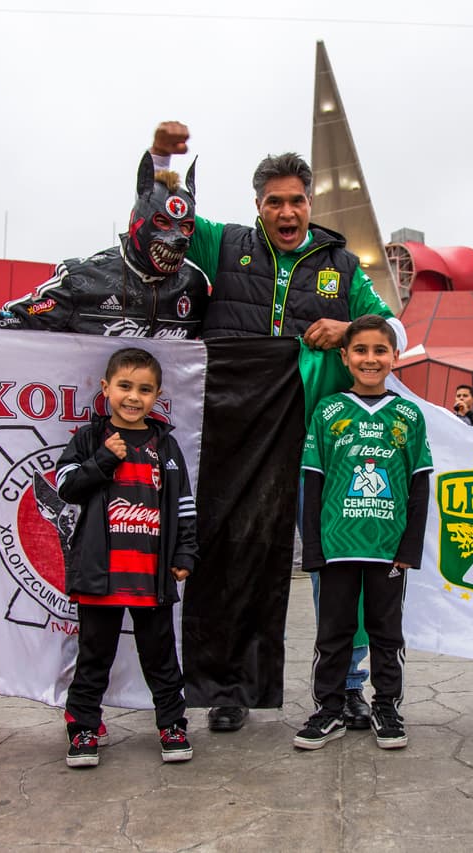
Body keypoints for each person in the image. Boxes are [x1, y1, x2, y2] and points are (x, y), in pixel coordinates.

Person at [150, 122, 403, 734]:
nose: (286, 212)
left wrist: (348, 330)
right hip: (238, 435)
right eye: (274, 202)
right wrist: (162, 161)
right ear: (257, 207)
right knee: (233, 558)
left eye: (297, 200)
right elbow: (165, 227)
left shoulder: (342, 265)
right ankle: (228, 685)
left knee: (339, 565)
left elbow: (387, 328)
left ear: (310, 204)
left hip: (326, 438)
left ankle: (347, 687)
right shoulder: (224, 244)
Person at [0, 152, 208, 339]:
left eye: (186, 228)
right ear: (136, 220)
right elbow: (10, 321)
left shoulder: (194, 285)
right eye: (162, 224)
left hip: (167, 442)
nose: (177, 237)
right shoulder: (83, 278)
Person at [54, 347, 198, 768]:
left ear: (157, 396)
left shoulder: (165, 444)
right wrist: (103, 459)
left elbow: (184, 505)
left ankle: (172, 724)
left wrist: (185, 551)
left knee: (162, 658)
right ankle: (83, 729)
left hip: (150, 578)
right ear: (106, 388)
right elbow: (66, 487)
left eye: (145, 389)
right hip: (101, 577)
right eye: (125, 386)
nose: (133, 397)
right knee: (94, 658)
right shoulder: (89, 439)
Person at [296, 315, 432, 750]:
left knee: (386, 633)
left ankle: (387, 706)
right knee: (333, 633)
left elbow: (419, 484)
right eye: (360, 350)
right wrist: (313, 548)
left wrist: (410, 548)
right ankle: (329, 708)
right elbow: (313, 482)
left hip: (387, 550)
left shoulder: (408, 415)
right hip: (337, 547)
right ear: (345, 357)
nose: (370, 359)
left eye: (379, 350)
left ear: (394, 357)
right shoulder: (329, 411)